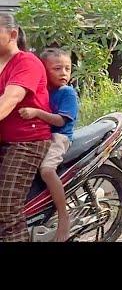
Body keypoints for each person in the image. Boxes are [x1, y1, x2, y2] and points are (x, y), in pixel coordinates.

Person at [0, 13, 52, 242]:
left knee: (6, 210)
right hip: (5, 139)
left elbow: (10, 99)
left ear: (12, 34)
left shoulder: (26, 62)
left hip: (27, 142)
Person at [18, 48, 78, 242]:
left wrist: (36, 113)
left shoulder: (67, 92)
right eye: (57, 68)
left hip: (60, 137)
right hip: (44, 137)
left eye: (67, 68)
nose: (63, 73)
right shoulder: (43, 91)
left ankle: (63, 215)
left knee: (46, 170)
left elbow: (61, 121)